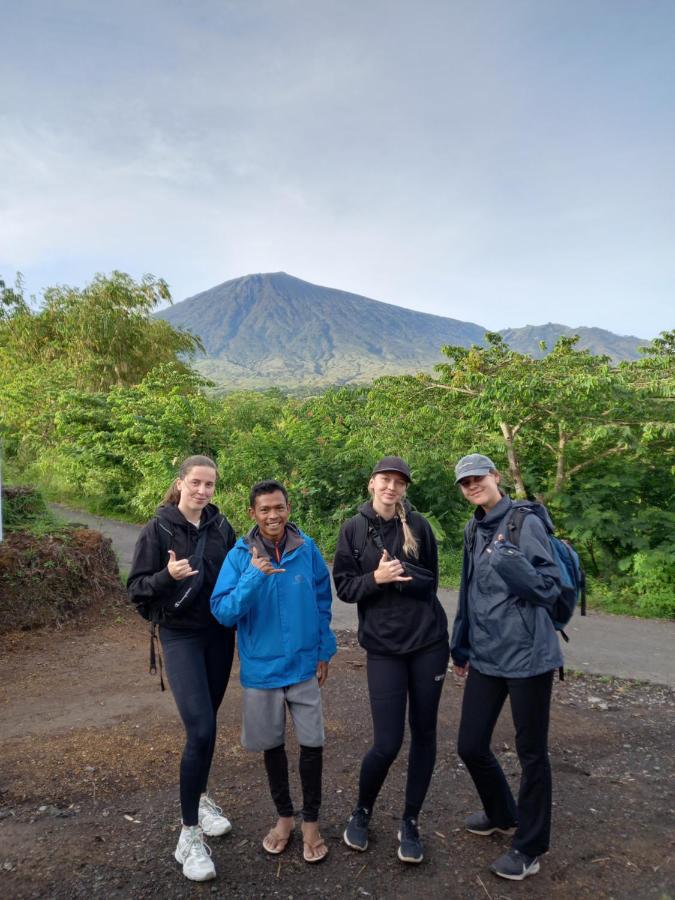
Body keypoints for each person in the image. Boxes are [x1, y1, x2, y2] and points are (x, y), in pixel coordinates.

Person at [210, 480, 336, 864]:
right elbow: (224, 611)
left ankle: (311, 823)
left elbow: (321, 600)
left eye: (279, 507)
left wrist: (324, 649)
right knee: (273, 746)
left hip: (302, 665)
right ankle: (285, 819)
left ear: (288, 508)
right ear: (252, 513)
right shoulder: (237, 556)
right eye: (264, 509)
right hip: (262, 670)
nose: (273, 516)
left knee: (313, 744)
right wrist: (254, 575)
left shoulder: (307, 549)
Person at [450, 453, 563, 882]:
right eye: (465, 483)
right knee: (470, 744)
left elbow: (549, 587)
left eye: (479, 478)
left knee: (532, 752)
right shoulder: (473, 528)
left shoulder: (524, 521)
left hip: (529, 655)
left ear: (496, 477)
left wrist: (510, 563)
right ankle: (501, 812)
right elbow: (467, 592)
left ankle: (530, 847)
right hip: (486, 654)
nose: (473, 486)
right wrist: (460, 646)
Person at [332, 456, 450, 864]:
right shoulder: (353, 529)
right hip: (383, 646)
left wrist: (402, 577)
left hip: (428, 642)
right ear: (371, 483)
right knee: (387, 742)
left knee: (423, 733)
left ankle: (410, 820)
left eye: (399, 482)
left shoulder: (419, 526)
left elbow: (433, 580)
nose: (391, 487)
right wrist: (377, 580)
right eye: (385, 480)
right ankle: (361, 811)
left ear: (404, 489)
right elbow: (345, 588)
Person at [127, 455, 236, 882]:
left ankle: (203, 797)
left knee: (208, 724)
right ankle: (188, 835)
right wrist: (167, 576)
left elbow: (233, 575)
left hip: (218, 636)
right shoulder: (159, 528)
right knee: (202, 729)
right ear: (180, 483)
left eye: (210, 484)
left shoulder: (221, 527)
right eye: (196, 483)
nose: (203, 491)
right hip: (181, 636)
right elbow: (136, 589)